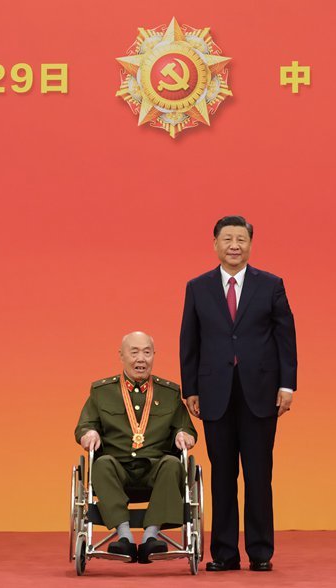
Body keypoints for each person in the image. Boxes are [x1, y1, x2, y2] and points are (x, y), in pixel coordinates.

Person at [179, 216, 297, 572]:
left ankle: (260, 552)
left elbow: (285, 338)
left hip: (260, 392)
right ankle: (224, 553)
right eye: (227, 239)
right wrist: (191, 389)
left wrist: (287, 385)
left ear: (250, 244)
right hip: (214, 393)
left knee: (259, 475)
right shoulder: (198, 287)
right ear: (215, 243)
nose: (234, 245)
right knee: (223, 475)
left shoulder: (271, 285)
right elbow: (189, 341)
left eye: (241, 239)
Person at [74, 331, 197, 564]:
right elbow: (85, 425)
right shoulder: (102, 392)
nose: (141, 359)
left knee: (173, 464)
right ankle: (125, 538)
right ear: (121, 356)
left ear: (154, 356)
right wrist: (89, 433)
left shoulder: (169, 393)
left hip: (156, 470)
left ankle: (151, 536)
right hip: (116, 470)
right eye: (134, 352)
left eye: (147, 352)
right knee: (101, 463)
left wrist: (184, 433)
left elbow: (185, 427)